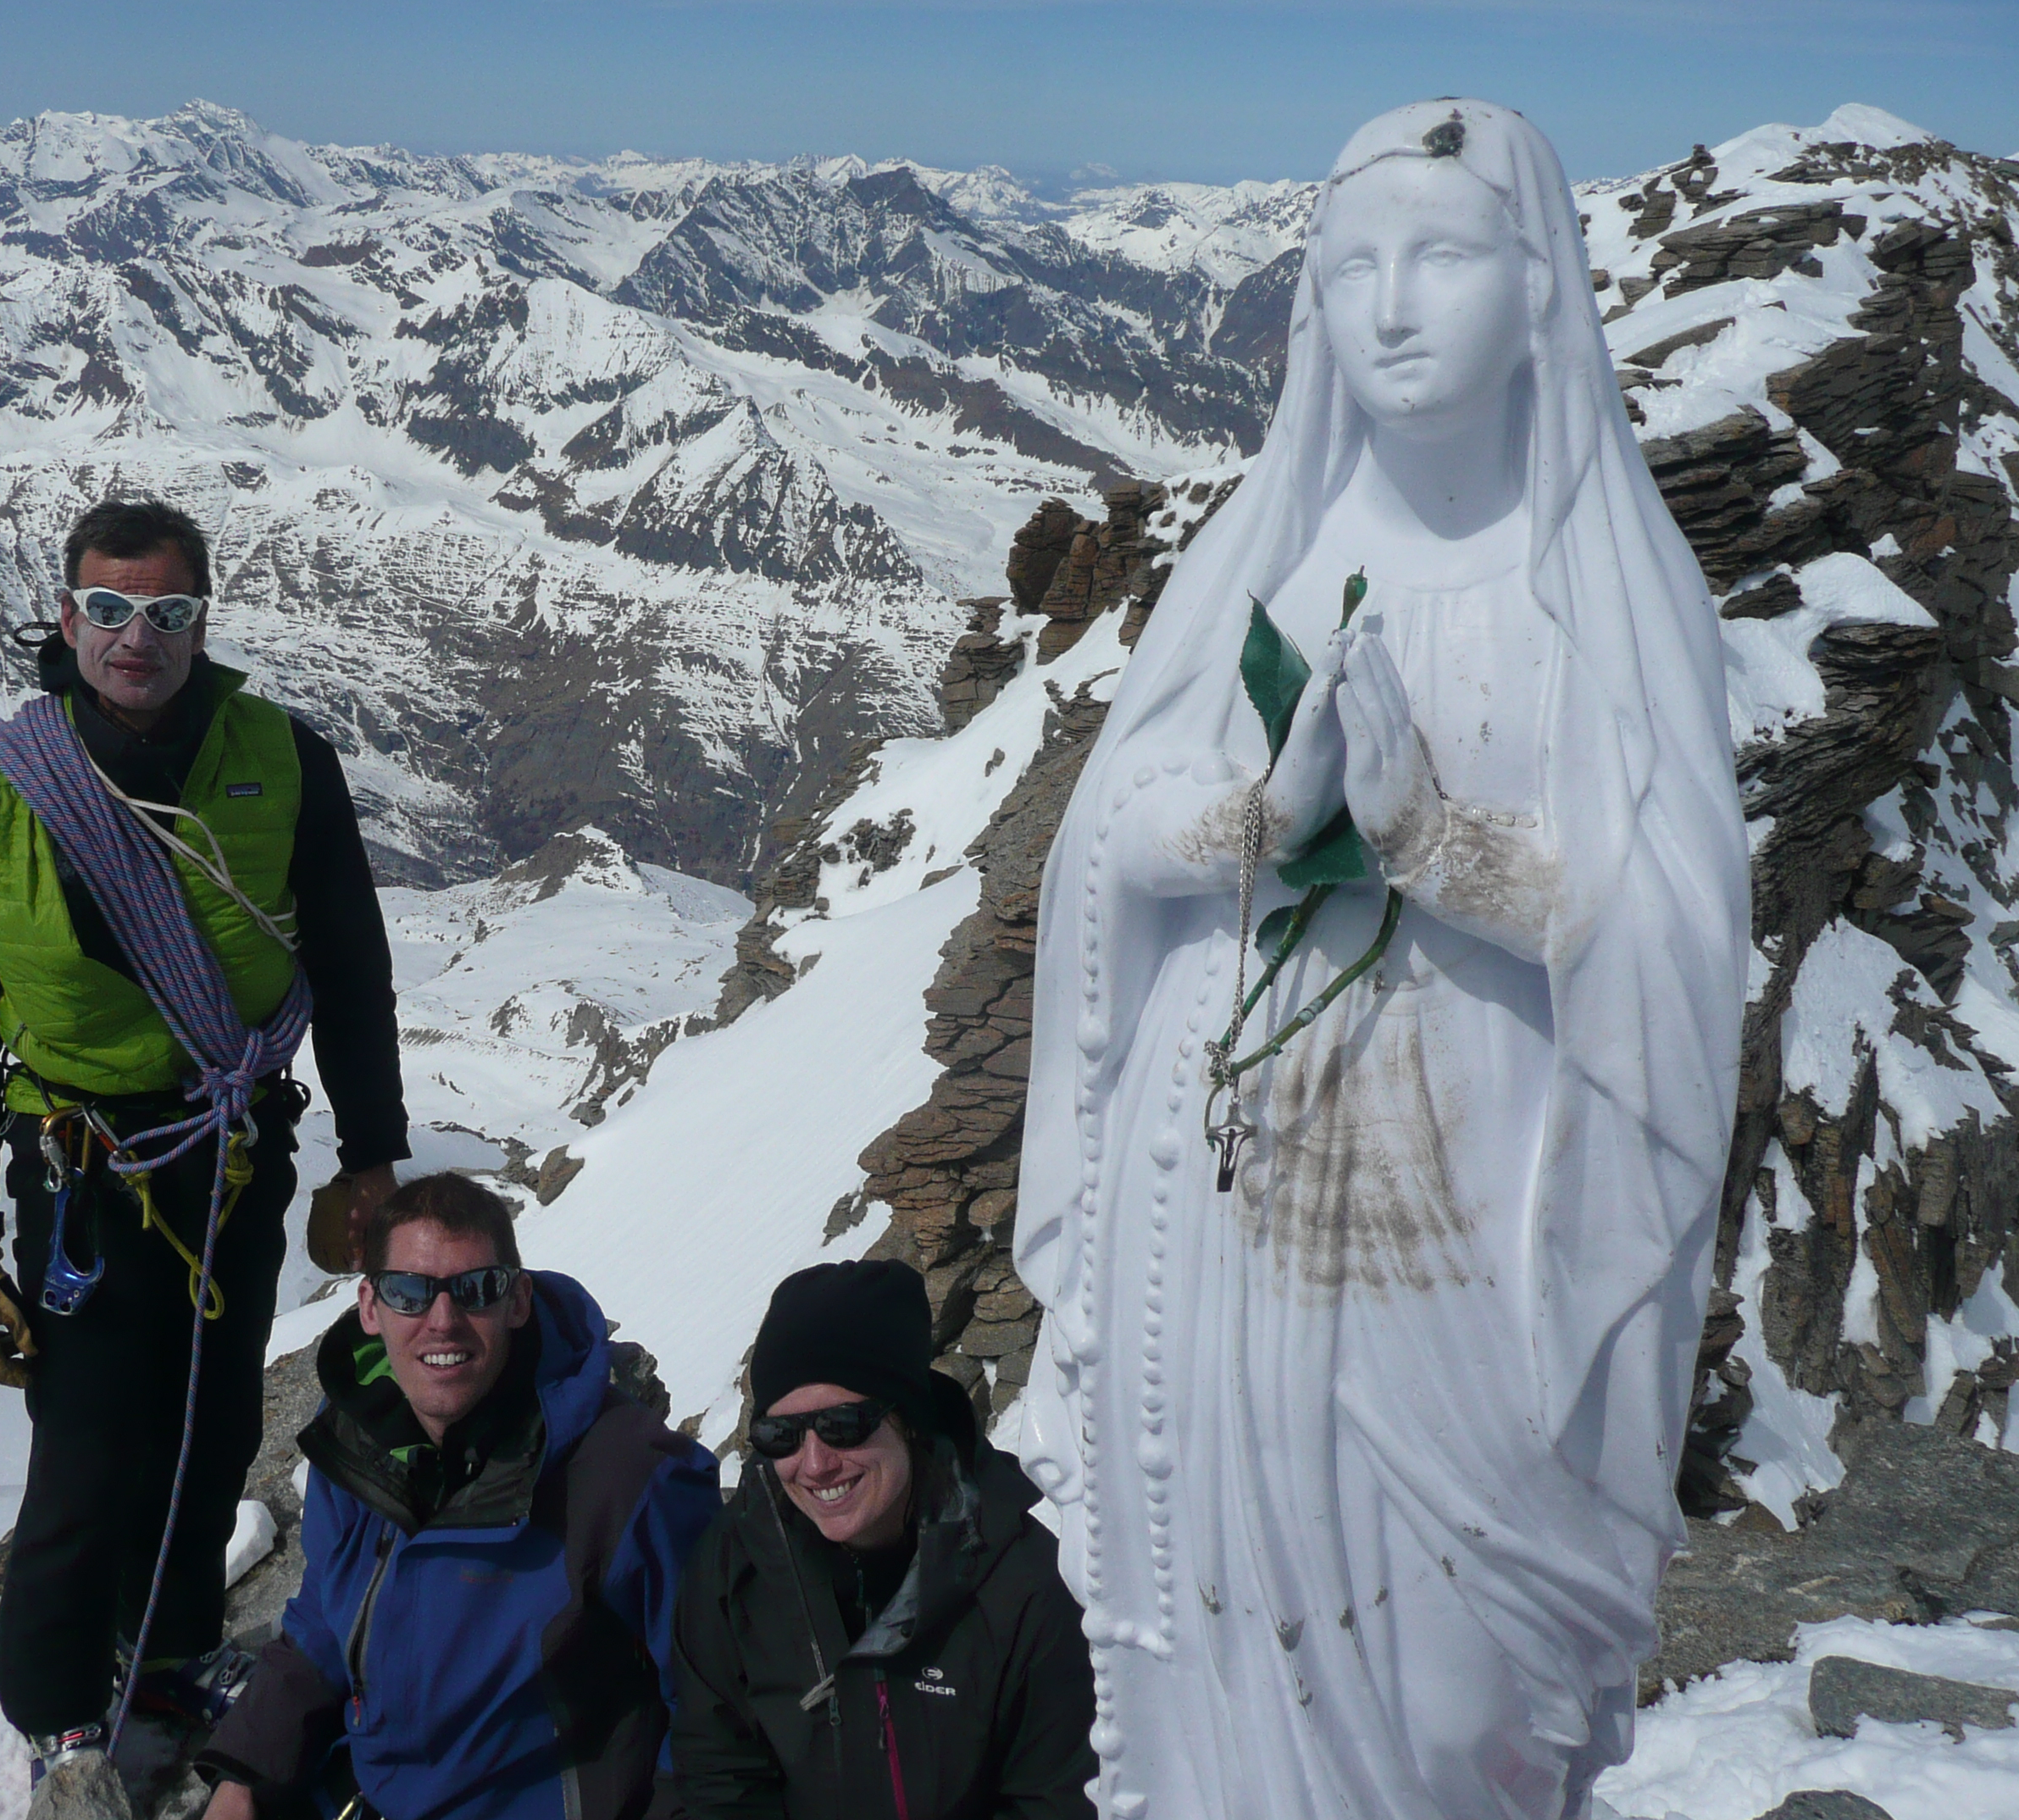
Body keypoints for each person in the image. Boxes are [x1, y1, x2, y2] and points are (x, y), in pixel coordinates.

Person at [1015, 101, 1748, 1818]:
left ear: (1542, 289)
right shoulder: (1263, 566)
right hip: (1219, 1231)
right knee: (1221, 1663)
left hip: (1473, 1227)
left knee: (1447, 1714)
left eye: (1443, 258)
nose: (1393, 307)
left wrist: (1436, 845)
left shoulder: (1602, 603)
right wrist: (1255, 822)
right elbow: (1100, 846)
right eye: (1350, 270)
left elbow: (1671, 932)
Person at [0, 497, 412, 1798]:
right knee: (87, 1433)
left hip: (236, 1141)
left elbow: (351, 970)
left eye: (169, 613)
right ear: (65, 619)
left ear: (204, 623)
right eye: (112, 610)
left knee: (214, 1406)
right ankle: (62, 1703)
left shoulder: (283, 759)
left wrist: (372, 1162)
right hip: (82, 1165)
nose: (140, 638)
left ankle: (177, 1651)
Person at [197, 1171, 722, 1820]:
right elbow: (324, 1626)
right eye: (410, 1293)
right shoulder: (356, 1446)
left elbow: (714, 1706)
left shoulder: (628, 1477)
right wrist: (243, 1776)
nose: (442, 1322)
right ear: (369, 1306)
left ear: (518, 1300)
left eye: (475, 1291)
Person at [670, 1261, 1094, 1820]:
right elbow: (719, 1780)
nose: (816, 1464)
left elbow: (1053, 1802)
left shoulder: (1025, 1589)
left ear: (909, 1419)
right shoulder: (733, 1568)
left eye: (845, 1425)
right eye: (782, 1435)